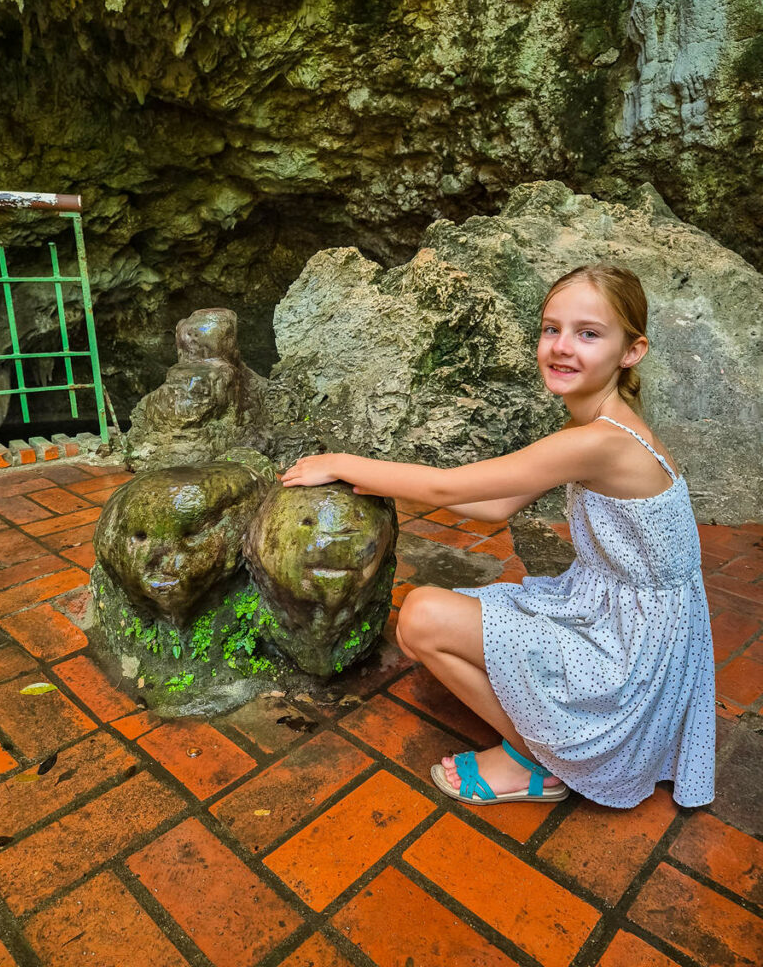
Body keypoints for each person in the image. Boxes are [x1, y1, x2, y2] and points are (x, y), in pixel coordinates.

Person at [281, 264, 715, 809]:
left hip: (630, 647)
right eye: (550, 328)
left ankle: (537, 760)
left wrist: (343, 461)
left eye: (588, 333)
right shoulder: (596, 427)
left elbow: (445, 487)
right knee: (449, 618)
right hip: (626, 616)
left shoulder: (601, 442)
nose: (560, 347)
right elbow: (494, 505)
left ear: (632, 351)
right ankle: (546, 736)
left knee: (420, 619)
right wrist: (374, 486)